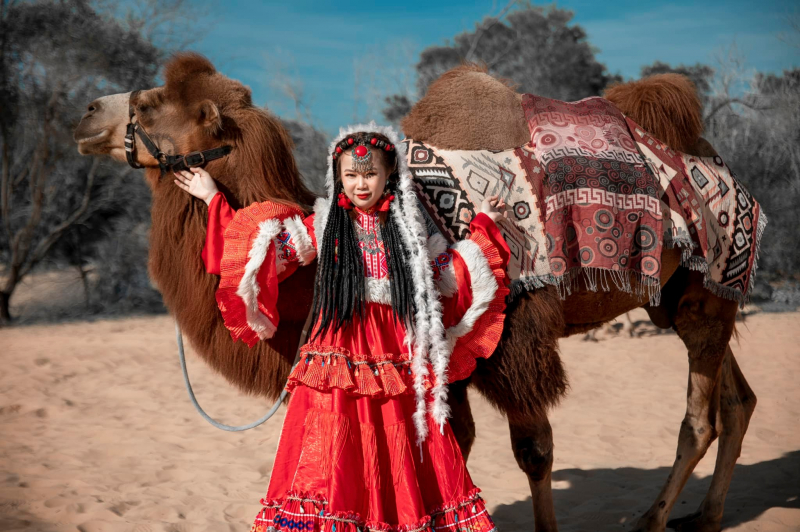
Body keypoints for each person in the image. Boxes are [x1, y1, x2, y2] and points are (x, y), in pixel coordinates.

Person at [174, 123, 509, 532]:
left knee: (398, 444)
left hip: (396, 349)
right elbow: (263, 253)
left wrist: (484, 228)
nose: (360, 184)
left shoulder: (409, 230)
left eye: (369, 174)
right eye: (351, 175)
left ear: (389, 176)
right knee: (332, 443)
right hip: (338, 342)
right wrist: (213, 198)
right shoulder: (324, 222)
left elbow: (445, 275)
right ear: (339, 177)